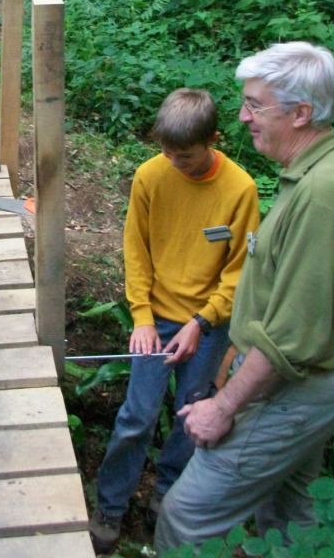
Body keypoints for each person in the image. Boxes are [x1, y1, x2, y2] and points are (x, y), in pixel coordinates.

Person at [154, 42, 334, 551]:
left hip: (293, 391)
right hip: (306, 382)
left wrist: (224, 404)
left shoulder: (324, 196)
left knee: (186, 516)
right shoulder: (314, 175)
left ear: (301, 113)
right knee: (290, 516)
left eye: (256, 104)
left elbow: (292, 338)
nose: (242, 116)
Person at [90, 88, 260, 554]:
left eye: (183, 155)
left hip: (208, 326)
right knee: (136, 415)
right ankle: (110, 504)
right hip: (157, 318)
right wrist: (142, 317)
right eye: (165, 151)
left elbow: (239, 272)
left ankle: (168, 494)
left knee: (192, 413)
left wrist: (203, 322)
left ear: (213, 141)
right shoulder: (150, 177)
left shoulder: (240, 190)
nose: (173, 162)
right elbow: (135, 251)